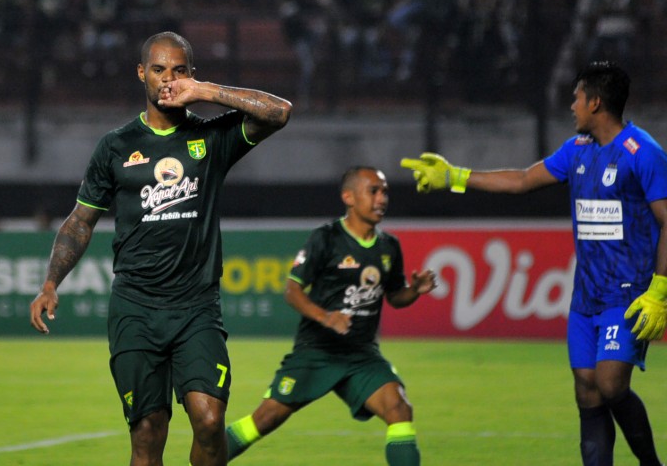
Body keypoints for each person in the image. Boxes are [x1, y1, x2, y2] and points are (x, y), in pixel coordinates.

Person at [29, 31, 292, 466]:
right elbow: (80, 221)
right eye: (158, 69)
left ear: (191, 75)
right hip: (135, 309)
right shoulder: (115, 147)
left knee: (209, 421)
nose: (168, 79)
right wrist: (51, 283)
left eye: (180, 70)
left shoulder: (212, 139)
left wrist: (206, 93)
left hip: (196, 308)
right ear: (141, 74)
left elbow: (279, 112)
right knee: (148, 434)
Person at [400, 61, 666, 466]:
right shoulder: (576, 150)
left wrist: (660, 291)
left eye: (577, 97)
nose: (571, 105)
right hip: (586, 296)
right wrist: (455, 176)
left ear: (596, 102)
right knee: (587, 389)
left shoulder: (643, 153)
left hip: (628, 294)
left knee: (612, 384)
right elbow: (524, 180)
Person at [225, 166, 436, 466]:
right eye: (373, 190)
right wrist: (326, 318)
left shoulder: (389, 246)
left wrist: (414, 290)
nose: (382, 198)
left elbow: (394, 296)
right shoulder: (326, 238)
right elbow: (292, 291)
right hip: (317, 351)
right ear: (348, 196)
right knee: (265, 418)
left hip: (361, 355)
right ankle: (203, 460)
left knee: (399, 409)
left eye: (385, 191)